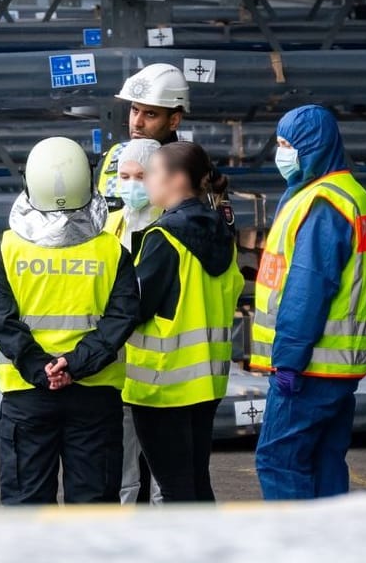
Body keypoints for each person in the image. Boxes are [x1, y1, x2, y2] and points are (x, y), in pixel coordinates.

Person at [0, 137, 138, 505]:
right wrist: (75, 363)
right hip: (95, 392)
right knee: (93, 505)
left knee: (26, 503)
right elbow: (121, 318)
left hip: (27, 394)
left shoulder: (7, 249)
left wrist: (42, 368)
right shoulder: (110, 251)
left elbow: (1, 321)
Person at [251, 105, 366, 500]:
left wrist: (288, 360)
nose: (281, 153)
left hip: (308, 369)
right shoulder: (350, 195)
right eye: (278, 144)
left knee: (279, 461)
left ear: (311, 147)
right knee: (325, 463)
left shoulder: (323, 204)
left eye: (288, 144)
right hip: (337, 370)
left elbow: (307, 290)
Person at [123, 142, 243, 503]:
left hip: (162, 385)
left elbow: (136, 304)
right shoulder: (222, 230)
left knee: (176, 489)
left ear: (176, 180)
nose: (146, 184)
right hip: (205, 382)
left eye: (152, 174)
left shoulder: (164, 238)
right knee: (195, 482)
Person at [102, 136, 162, 504]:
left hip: (159, 362)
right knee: (121, 465)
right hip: (118, 362)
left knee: (161, 469)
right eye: (124, 176)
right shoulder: (108, 226)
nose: (130, 185)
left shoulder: (169, 226)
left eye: (139, 176)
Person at [95, 63, 190, 198]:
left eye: (150, 114)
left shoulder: (190, 168)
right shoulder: (112, 157)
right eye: (135, 110)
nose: (137, 123)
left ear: (173, 121)